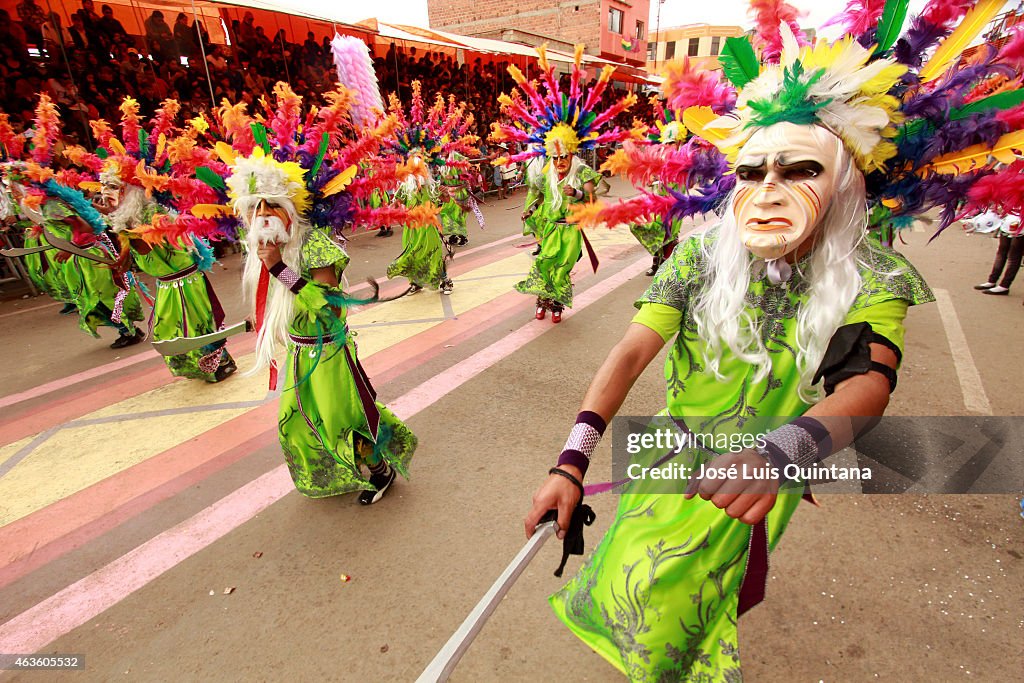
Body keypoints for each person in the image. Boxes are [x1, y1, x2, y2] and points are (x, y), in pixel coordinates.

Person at [517, 4, 1019, 673]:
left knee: (667, 610)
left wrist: (781, 453)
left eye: (799, 170)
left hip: (756, 473)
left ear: (844, 181)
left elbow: (867, 383)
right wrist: (570, 461)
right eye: (752, 172)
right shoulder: (701, 257)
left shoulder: (873, 274)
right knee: (628, 590)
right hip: (670, 456)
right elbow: (632, 350)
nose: (768, 190)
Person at [222, 82, 419, 502]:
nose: (263, 216)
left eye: (271, 206)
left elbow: (327, 304)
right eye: (256, 208)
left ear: (290, 208)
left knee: (341, 417)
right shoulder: (270, 248)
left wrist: (276, 267)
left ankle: (380, 469)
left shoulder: (314, 245)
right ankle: (338, 472)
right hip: (299, 352)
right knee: (297, 419)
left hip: (327, 352)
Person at [491, 46, 634, 323]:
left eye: (563, 156)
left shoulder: (582, 171)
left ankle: (556, 303)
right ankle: (542, 301)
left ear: (571, 152)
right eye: (554, 156)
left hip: (570, 231)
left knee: (561, 269)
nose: (558, 161)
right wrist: (530, 211)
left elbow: (592, 203)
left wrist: (577, 192)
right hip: (548, 227)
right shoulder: (547, 171)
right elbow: (543, 197)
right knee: (545, 264)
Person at [966, 210, 1023, 295]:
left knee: (1014, 256)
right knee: (1001, 252)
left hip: (1021, 225)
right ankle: (992, 280)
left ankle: (1004, 286)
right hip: (1008, 221)